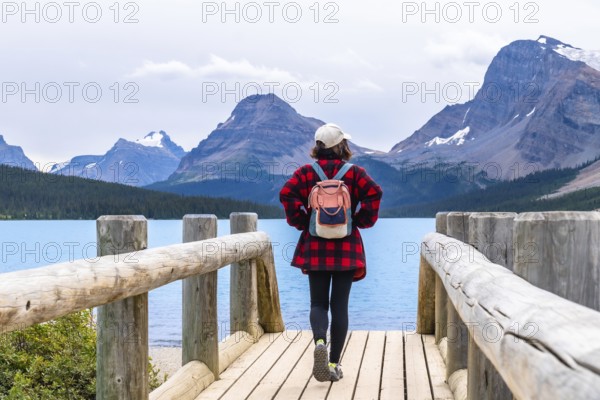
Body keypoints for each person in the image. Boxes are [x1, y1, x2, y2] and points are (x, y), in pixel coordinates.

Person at [279, 123, 383, 382]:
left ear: (318, 147)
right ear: (341, 146)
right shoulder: (355, 173)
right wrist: (358, 220)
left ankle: (319, 343)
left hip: (315, 246)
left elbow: (286, 194)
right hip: (346, 247)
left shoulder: (305, 173)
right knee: (340, 306)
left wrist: (303, 222)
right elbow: (375, 193)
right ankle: (334, 363)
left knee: (317, 303)